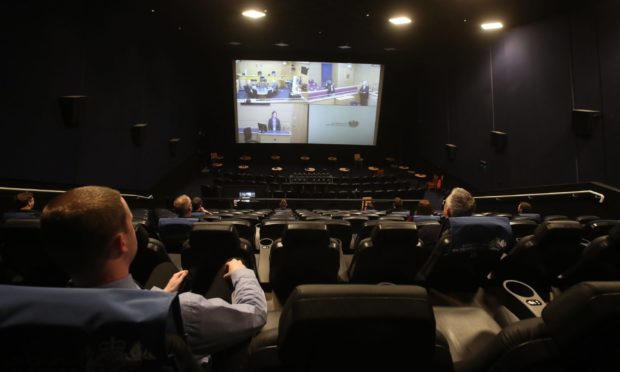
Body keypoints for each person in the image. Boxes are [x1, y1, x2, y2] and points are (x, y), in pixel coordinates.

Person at [40, 186, 267, 364]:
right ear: (121, 243)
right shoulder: (182, 312)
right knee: (230, 264)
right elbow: (255, 313)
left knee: (165, 269)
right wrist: (242, 273)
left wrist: (160, 295)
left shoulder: (41, 314)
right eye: (131, 223)